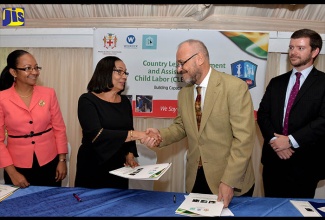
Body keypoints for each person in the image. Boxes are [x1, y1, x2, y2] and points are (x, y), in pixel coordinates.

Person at [143, 39, 256, 208]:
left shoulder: (234, 87)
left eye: (181, 63)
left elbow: (244, 139)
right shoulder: (184, 94)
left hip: (229, 179)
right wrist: (160, 135)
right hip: (196, 178)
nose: (179, 69)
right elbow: (181, 126)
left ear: (200, 58)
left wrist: (229, 181)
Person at [257, 28, 325, 198]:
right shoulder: (276, 82)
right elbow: (263, 114)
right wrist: (275, 141)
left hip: (305, 164)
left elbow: (323, 120)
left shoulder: (323, 83)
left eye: (300, 48)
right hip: (273, 162)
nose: (293, 52)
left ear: (315, 51)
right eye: (291, 47)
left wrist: (290, 141)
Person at [74, 56, 156, 189]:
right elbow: (97, 134)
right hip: (93, 164)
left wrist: (129, 155)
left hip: (119, 166)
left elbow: (128, 127)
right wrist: (138, 134)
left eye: (125, 73)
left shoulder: (124, 102)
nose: (124, 77)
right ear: (105, 72)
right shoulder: (87, 100)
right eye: (119, 71)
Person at [0, 50, 68, 188]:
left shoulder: (48, 93)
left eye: (36, 67)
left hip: (50, 162)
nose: (35, 72)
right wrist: (12, 173)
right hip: (17, 166)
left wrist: (62, 160)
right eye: (27, 68)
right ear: (14, 72)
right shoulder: (2, 98)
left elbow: (59, 128)